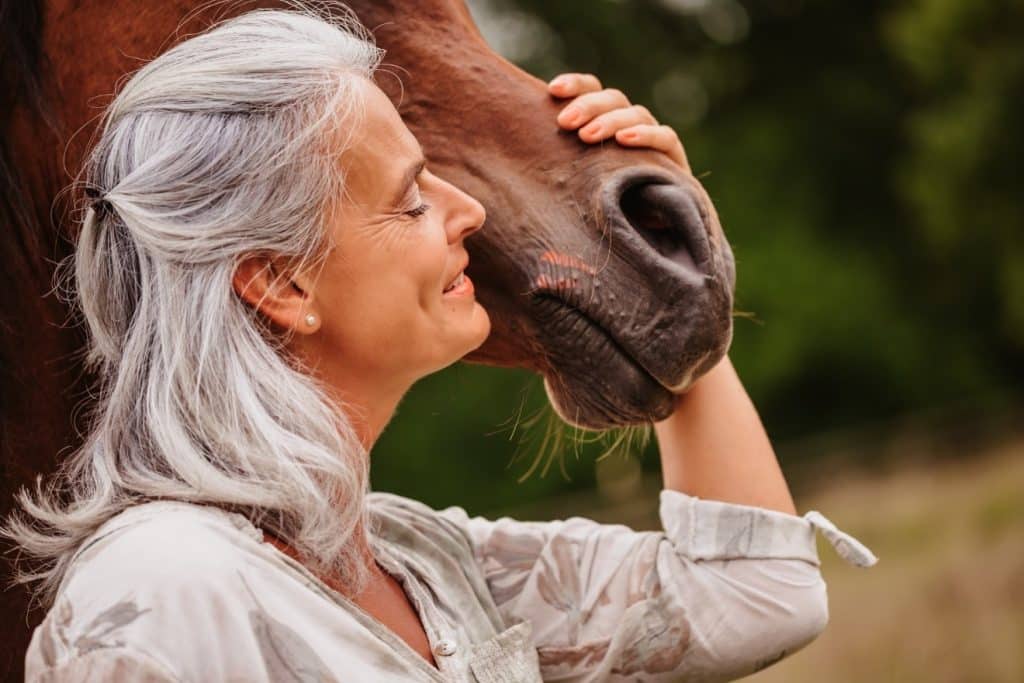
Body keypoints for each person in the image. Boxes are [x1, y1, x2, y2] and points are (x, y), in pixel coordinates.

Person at [3, 4, 876, 682]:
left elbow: (754, 594)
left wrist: (675, 277)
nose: (467, 211)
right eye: (411, 196)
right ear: (282, 281)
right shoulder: (160, 593)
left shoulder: (414, 561)